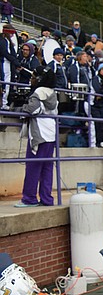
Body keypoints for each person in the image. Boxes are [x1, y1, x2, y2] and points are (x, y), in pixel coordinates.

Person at [15, 66, 58, 208]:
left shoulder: (38, 92)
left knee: (33, 166)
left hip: (39, 133)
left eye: (34, 76)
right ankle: (46, 199)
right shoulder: (52, 92)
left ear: (39, 79)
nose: (32, 79)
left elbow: (33, 109)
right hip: (50, 132)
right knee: (46, 167)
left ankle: (29, 198)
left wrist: (20, 109)